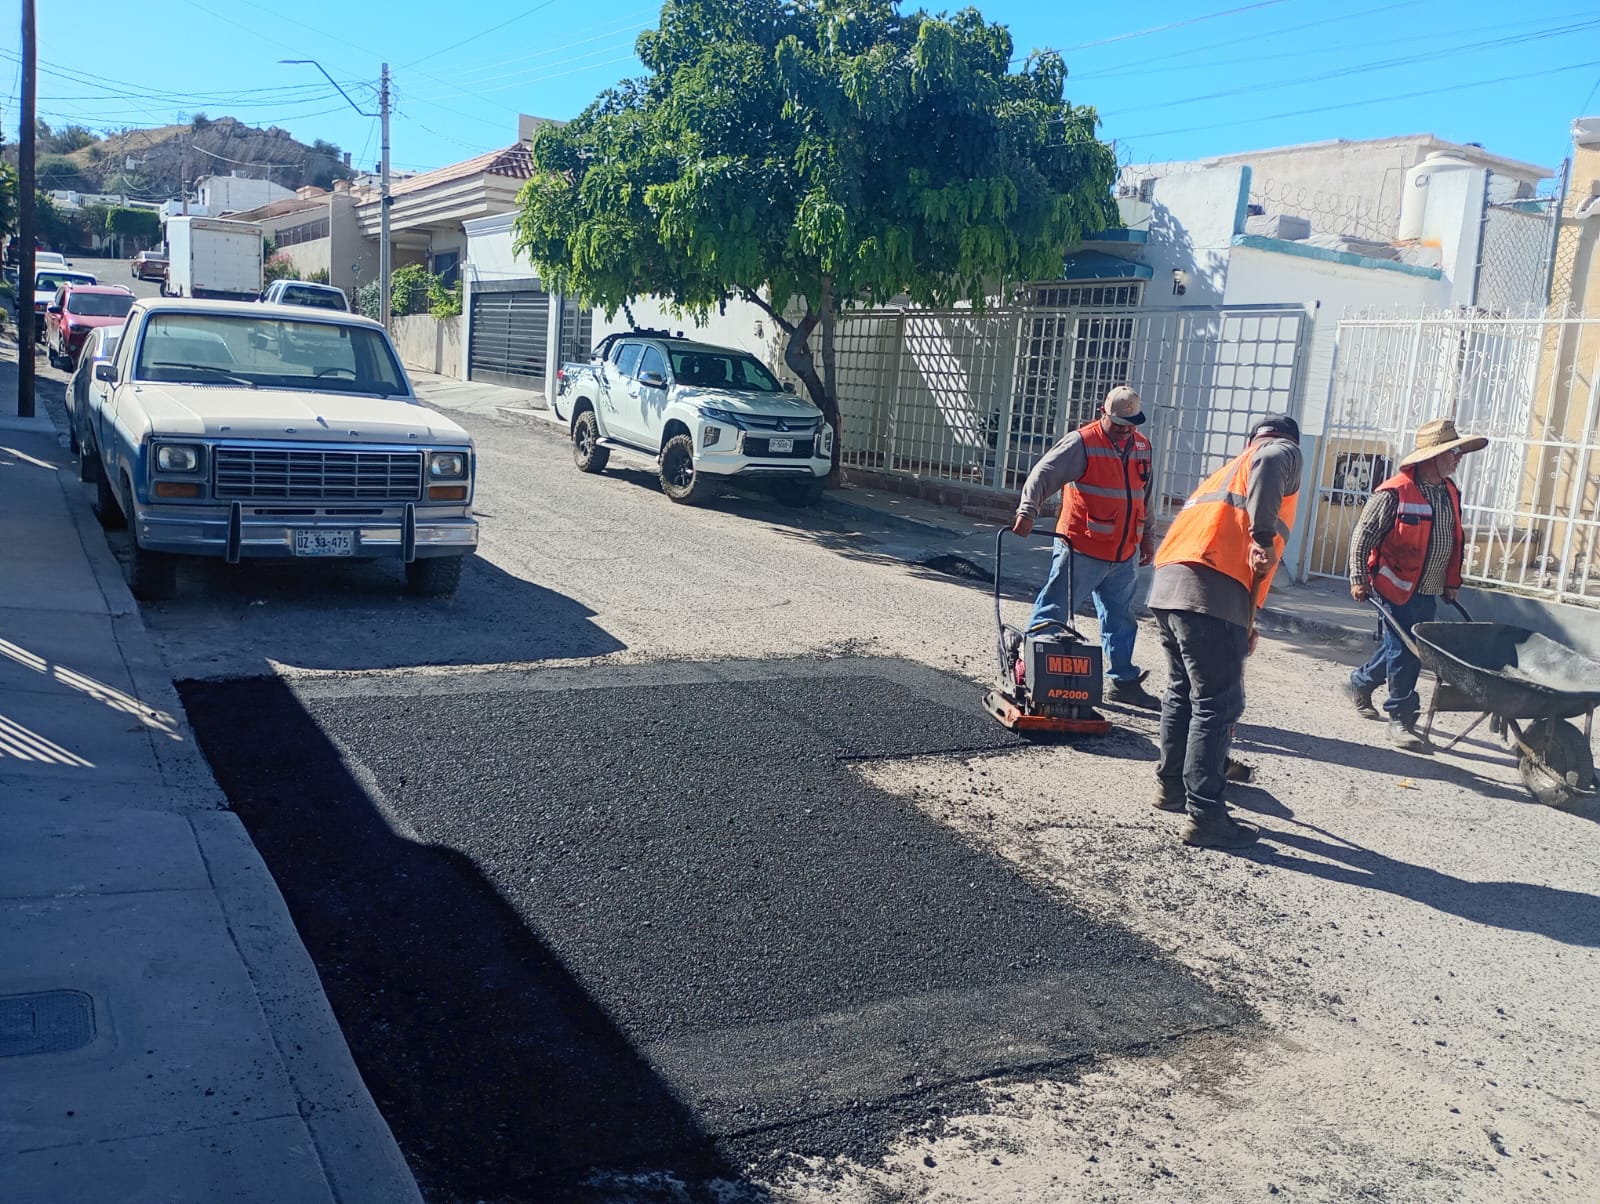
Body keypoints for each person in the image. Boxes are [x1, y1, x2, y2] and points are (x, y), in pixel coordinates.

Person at [1147, 414, 1304, 849]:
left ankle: (1171, 788)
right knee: (1216, 704)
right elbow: (1273, 462)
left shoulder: (1227, 470)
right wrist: (1263, 536)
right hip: (1211, 590)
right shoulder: (1281, 452)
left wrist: (1247, 617)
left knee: (1183, 693)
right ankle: (1206, 816)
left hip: (1171, 587)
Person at [1010, 384, 1161, 709]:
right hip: (1081, 546)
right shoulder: (1084, 442)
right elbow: (1043, 473)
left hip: (1123, 553)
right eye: (1120, 424)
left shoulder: (1142, 447)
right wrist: (1027, 510)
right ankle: (1029, 674)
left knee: (1121, 618)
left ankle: (1122, 681)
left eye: (1132, 424)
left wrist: (1148, 536)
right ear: (1102, 413)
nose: (1125, 431)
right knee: (1054, 610)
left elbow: (1144, 496)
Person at [1344, 418, 1487, 751]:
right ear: (1431, 457)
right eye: (1453, 451)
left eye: (1459, 451)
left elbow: (1454, 540)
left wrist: (1452, 582)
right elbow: (1363, 536)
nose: (1458, 457)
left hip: (1429, 589)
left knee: (1403, 647)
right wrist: (1358, 578)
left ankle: (1360, 683)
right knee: (1408, 651)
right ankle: (1401, 718)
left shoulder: (1449, 491)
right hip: (1395, 587)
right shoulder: (1394, 493)